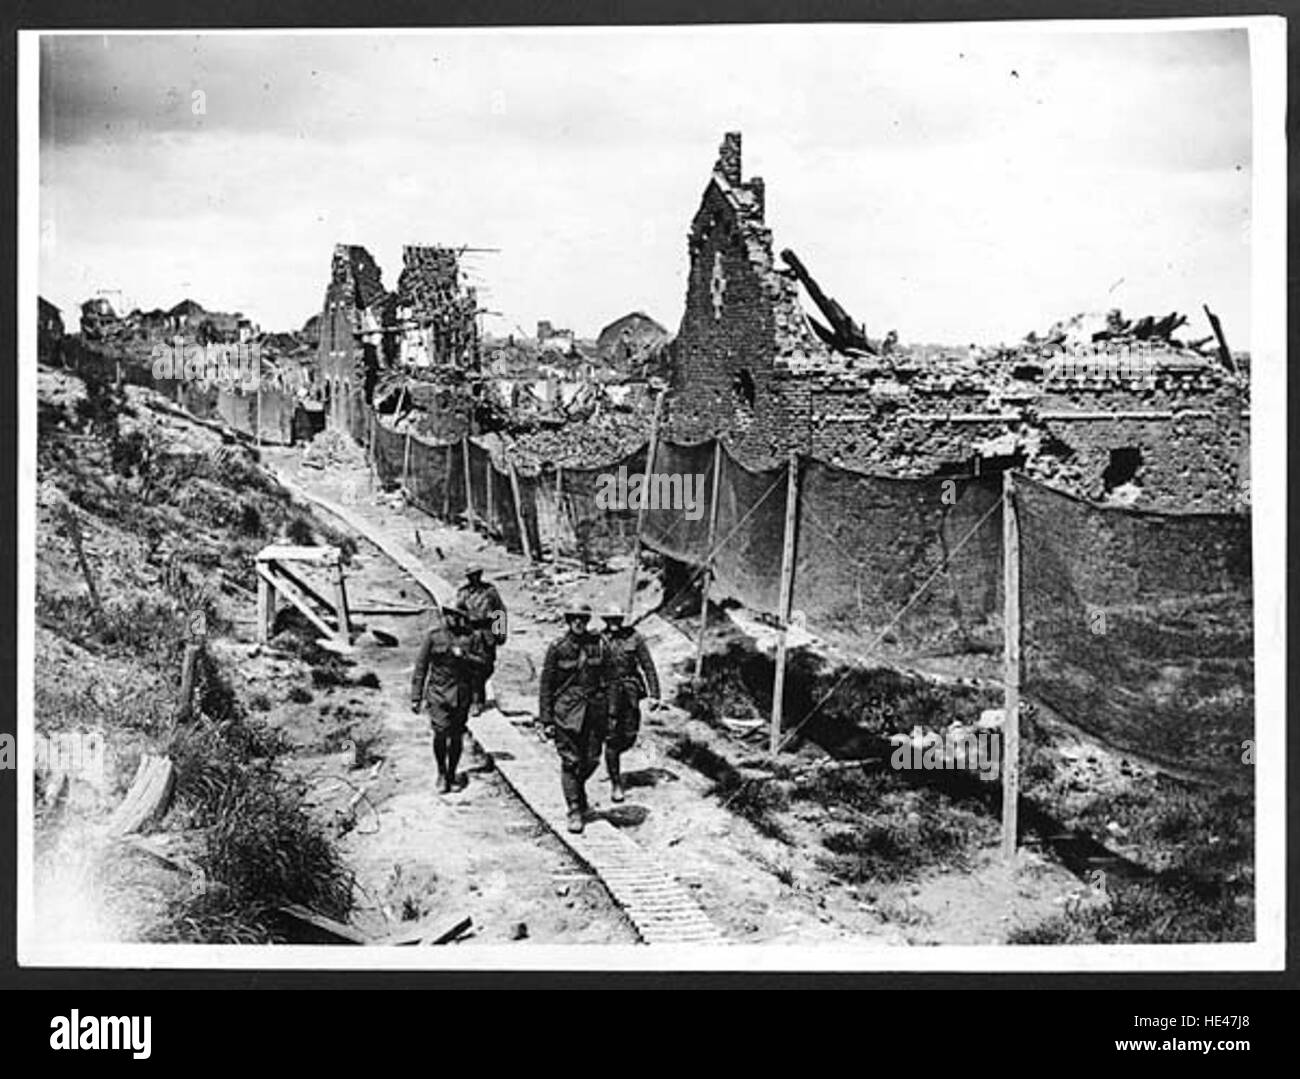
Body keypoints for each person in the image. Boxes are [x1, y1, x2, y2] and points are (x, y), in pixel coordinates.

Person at [538, 602, 609, 834]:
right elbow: (546, 685)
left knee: (593, 759)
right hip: (566, 713)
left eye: (582, 618)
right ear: (568, 621)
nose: (578, 622)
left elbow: (610, 679)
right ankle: (574, 809)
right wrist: (546, 719)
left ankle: (576, 790)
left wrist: (612, 712)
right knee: (571, 761)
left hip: (593, 711)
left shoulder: (598, 644)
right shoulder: (558, 647)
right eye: (574, 618)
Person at [410, 603, 487, 794]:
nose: (452, 619)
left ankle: (452, 773)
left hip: (461, 694)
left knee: (456, 736)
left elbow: (483, 665)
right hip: (438, 693)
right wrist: (416, 696)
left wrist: (465, 657)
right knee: (440, 733)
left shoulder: (470, 637)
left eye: (457, 615)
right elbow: (421, 666)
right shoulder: (434, 636)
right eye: (450, 615)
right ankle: (441, 773)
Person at [600, 606, 660, 803]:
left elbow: (647, 665)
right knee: (611, 738)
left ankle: (614, 758)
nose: (614, 623)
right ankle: (616, 783)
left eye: (617, 619)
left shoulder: (634, 637)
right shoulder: (599, 640)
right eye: (610, 619)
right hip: (609, 694)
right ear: (605, 620)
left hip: (631, 692)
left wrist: (655, 694)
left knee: (630, 735)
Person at [455, 565, 507, 715]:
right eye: (471, 575)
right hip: (469, 633)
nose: (474, 578)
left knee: (486, 667)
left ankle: (478, 697)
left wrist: (500, 633)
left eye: (476, 574)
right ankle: (475, 701)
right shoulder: (463, 593)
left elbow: (500, 612)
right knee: (469, 667)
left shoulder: (490, 591)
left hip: (486, 633)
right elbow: (457, 613)